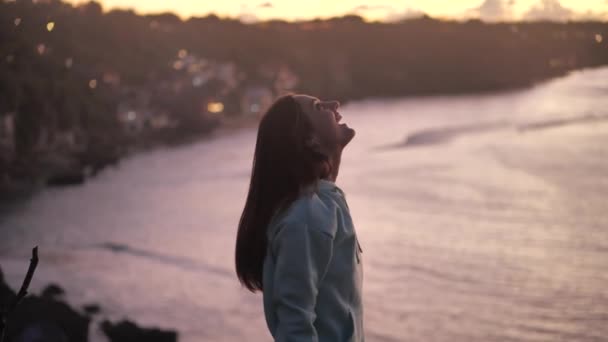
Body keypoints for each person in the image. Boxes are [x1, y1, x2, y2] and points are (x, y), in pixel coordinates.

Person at [235, 94, 364, 341]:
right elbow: (294, 325)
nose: (334, 105)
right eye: (318, 107)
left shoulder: (325, 204)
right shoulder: (306, 219)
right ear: (311, 141)